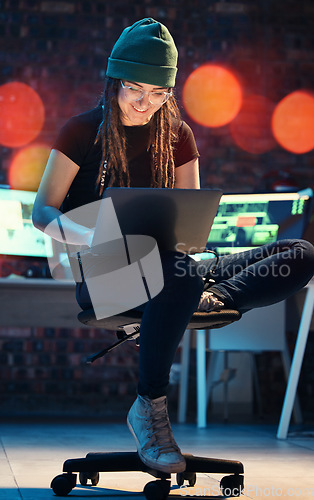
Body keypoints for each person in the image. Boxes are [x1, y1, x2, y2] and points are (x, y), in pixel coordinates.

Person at [32, 18, 314, 475]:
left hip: (176, 269)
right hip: (105, 274)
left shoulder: (178, 136)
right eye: (134, 90)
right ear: (113, 82)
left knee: (300, 254)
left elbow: (189, 218)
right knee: (178, 273)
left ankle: (205, 295)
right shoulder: (81, 131)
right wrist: (88, 233)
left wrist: (191, 261)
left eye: (158, 93)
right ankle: (149, 408)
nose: (146, 104)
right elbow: (42, 212)